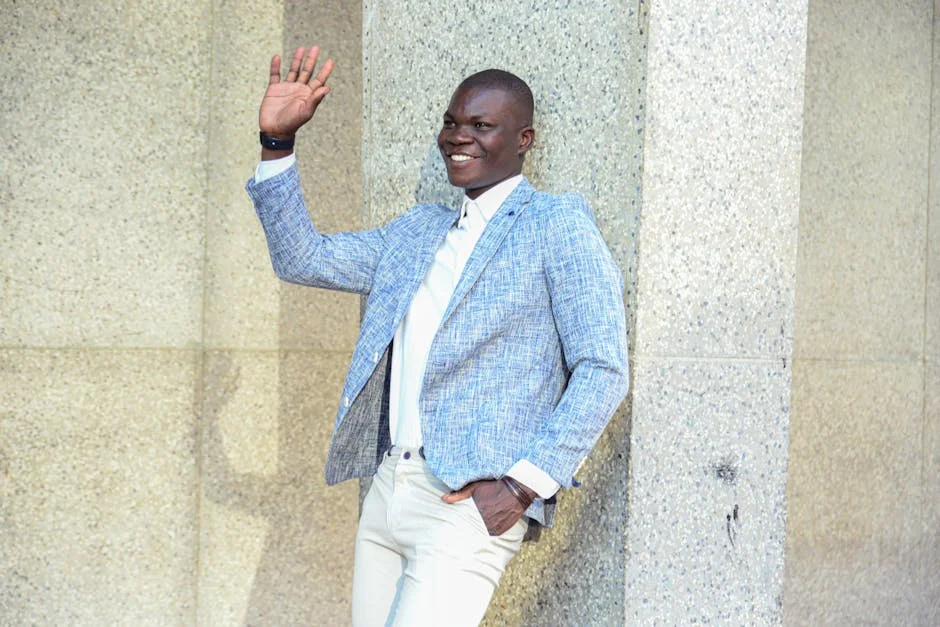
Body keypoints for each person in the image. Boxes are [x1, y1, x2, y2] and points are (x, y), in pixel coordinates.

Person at [246, 45, 628, 626]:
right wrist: (278, 144)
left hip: (466, 507)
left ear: (524, 140)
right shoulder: (419, 229)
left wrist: (524, 487)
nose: (458, 137)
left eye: (481, 125)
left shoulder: (556, 225)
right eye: (451, 122)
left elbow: (603, 367)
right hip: (387, 491)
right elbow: (304, 258)